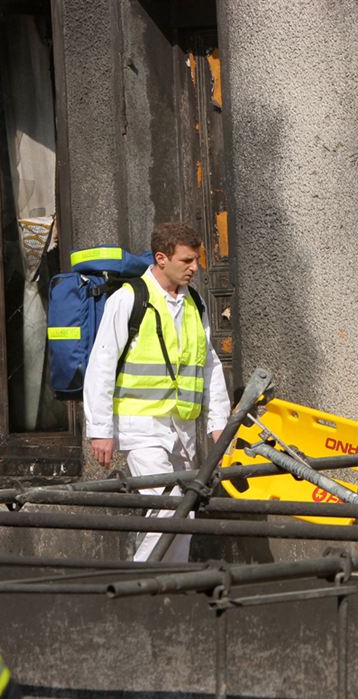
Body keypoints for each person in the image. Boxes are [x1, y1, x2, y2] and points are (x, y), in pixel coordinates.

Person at [84, 222, 231, 563]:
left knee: (184, 508)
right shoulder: (129, 298)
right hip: (142, 427)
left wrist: (218, 422)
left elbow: (209, 365)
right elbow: (102, 364)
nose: (195, 267)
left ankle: (169, 587)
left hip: (181, 427)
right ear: (161, 258)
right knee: (166, 508)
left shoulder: (195, 302)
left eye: (196, 259)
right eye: (187, 260)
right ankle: (142, 584)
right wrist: (100, 431)